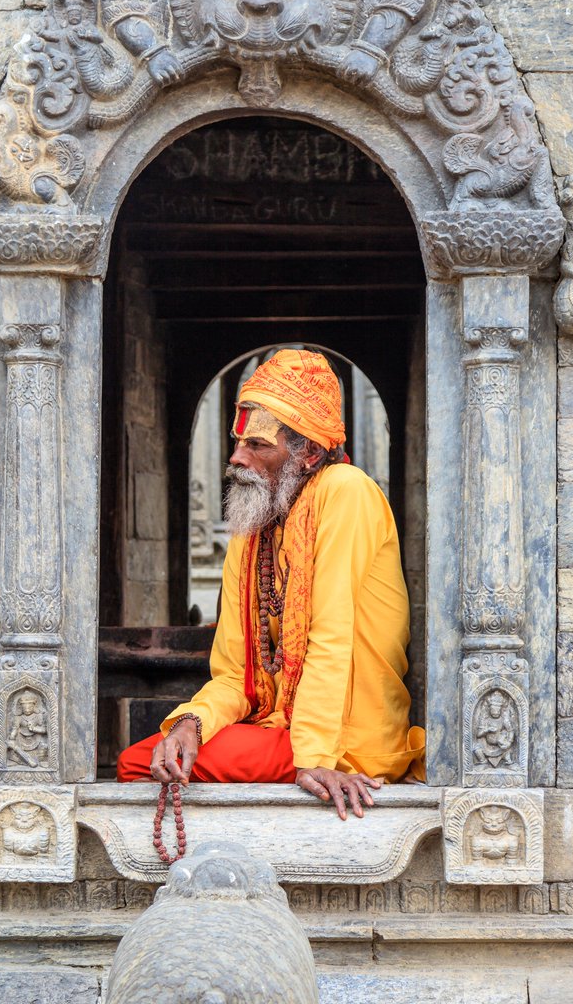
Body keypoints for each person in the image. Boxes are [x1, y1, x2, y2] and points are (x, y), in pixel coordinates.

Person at [117, 349, 425, 819]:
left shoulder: (347, 491)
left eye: (258, 446)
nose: (237, 458)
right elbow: (236, 674)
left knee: (136, 763)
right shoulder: (254, 522)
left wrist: (316, 760)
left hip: (344, 739)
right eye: (238, 441)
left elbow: (333, 633)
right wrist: (191, 724)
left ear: (310, 455)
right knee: (160, 753)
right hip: (280, 730)